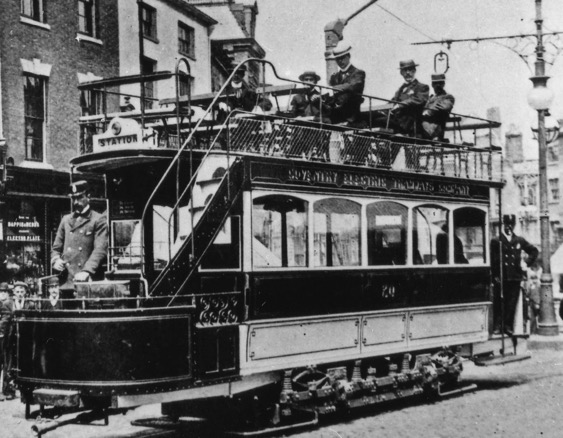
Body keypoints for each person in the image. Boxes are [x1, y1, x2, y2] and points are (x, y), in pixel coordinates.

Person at [51, 180, 108, 292]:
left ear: (88, 197)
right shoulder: (66, 220)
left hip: (86, 281)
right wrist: (55, 260)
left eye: (79, 197)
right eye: (73, 198)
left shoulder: (98, 219)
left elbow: (100, 250)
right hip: (65, 281)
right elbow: (56, 248)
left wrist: (86, 271)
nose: (76, 202)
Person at [490, 214, 538, 335]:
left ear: (514, 225)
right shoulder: (496, 241)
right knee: (499, 301)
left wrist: (525, 263)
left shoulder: (519, 240)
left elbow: (534, 251)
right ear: (503, 225)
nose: (509, 227)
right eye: (507, 225)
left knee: (511, 303)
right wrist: (494, 275)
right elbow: (492, 260)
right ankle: (498, 325)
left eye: (511, 225)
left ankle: (508, 326)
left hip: (514, 276)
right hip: (501, 276)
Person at [328, 41, 366, 126]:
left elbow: (352, 86)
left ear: (348, 56)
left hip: (352, 115)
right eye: (338, 59)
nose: (340, 61)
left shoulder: (358, 73)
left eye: (342, 58)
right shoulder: (334, 77)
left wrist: (335, 88)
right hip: (337, 114)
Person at [390, 59, 430, 137]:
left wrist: (399, 105)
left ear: (414, 71)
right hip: (397, 121)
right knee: (374, 118)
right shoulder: (400, 90)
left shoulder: (422, 87)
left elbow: (419, 100)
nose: (408, 73)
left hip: (410, 123)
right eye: (405, 70)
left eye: (410, 70)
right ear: (401, 73)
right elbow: (392, 102)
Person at [421, 74, 455, 141]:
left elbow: (445, 107)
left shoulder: (448, 97)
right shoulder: (430, 98)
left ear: (443, 84)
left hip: (434, 128)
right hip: (422, 126)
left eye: (440, 83)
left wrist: (428, 111)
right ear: (432, 85)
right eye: (435, 83)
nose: (438, 85)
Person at [0, 282, 14, 400]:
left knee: (6, 363)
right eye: (0, 292)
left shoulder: (6, 305)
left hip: (5, 338)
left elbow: (5, 318)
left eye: (4, 292)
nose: (2, 294)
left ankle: (6, 389)